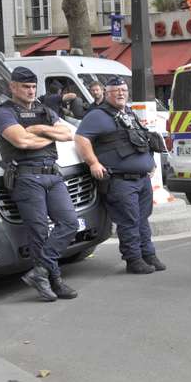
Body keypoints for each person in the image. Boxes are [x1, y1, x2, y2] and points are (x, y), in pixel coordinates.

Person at [0, 67, 79, 301]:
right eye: (25, 87)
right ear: (12, 87)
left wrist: (39, 129)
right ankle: (54, 280)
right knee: (39, 232)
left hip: (53, 174)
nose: (31, 91)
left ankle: (40, 272)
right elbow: (22, 141)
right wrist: (49, 135)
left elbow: (67, 134)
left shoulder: (44, 109)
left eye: (33, 87)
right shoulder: (4, 113)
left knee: (70, 223)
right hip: (27, 177)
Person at [74, 76, 166, 274]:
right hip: (120, 180)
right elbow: (81, 138)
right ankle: (133, 260)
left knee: (142, 219)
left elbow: (141, 139)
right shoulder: (98, 115)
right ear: (107, 93)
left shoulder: (128, 113)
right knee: (129, 221)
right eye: (116, 91)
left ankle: (148, 254)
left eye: (123, 90)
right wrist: (94, 162)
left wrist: (148, 164)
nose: (121, 93)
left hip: (141, 179)